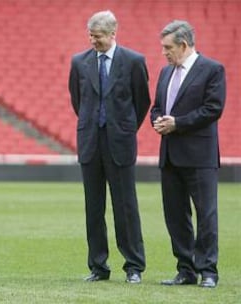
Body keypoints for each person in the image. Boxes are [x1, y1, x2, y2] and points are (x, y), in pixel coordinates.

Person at [68, 11, 150, 284]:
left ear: (113, 34)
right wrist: (94, 124)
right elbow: (77, 101)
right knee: (94, 208)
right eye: (90, 35)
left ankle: (134, 266)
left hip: (120, 143)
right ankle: (98, 266)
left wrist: (123, 128)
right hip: (90, 142)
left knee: (125, 206)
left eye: (98, 36)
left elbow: (142, 102)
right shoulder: (79, 62)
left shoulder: (134, 61)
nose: (93, 41)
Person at [151, 20, 226, 288]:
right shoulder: (164, 72)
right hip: (170, 155)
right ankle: (185, 269)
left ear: (183, 45)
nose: (164, 52)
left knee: (206, 214)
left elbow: (213, 108)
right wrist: (157, 120)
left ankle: (208, 271)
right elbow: (157, 107)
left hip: (199, 156)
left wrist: (177, 123)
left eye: (168, 47)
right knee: (175, 215)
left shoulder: (212, 69)